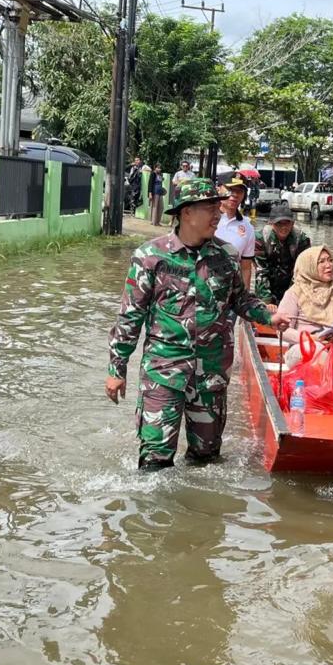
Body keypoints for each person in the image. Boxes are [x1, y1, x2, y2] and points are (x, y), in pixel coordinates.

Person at [106, 177, 288, 469]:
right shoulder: (150, 257)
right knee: (155, 459)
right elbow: (130, 316)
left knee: (206, 459)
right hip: (164, 372)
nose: (218, 214)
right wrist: (117, 369)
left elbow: (240, 300)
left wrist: (269, 316)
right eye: (210, 208)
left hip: (211, 373)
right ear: (186, 212)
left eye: (218, 207)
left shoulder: (226, 255)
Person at [276, 246, 333, 361]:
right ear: (310, 266)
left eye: (330, 260)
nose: (329, 265)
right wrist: (311, 338)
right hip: (303, 346)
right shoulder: (294, 292)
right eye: (322, 261)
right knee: (319, 353)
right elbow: (282, 331)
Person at [255, 201, 312, 307]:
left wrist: (291, 299)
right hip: (268, 285)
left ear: (293, 223)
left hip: (293, 284)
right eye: (279, 223)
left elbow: (302, 271)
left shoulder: (302, 240)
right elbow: (261, 271)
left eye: (287, 223)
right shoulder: (260, 239)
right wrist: (266, 301)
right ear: (271, 223)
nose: (283, 227)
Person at [215, 173, 256, 290]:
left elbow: (246, 267)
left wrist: (245, 297)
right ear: (218, 189)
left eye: (239, 191)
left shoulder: (248, 228)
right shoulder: (205, 218)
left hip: (230, 291)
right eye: (230, 189)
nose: (234, 195)